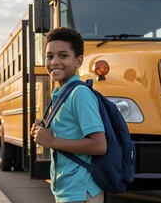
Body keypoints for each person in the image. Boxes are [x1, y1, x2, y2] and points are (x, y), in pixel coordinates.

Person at [30, 27, 107, 203]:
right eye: (49, 56)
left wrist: (51, 141)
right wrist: (42, 133)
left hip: (81, 191)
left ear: (78, 61)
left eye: (63, 56)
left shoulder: (79, 94)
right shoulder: (61, 94)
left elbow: (99, 145)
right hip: (68, 190)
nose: (54, 61)